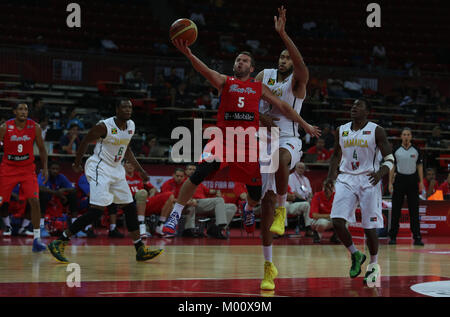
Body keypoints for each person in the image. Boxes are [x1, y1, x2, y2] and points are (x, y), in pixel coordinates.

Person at [163, 35, 320, 237]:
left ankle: (247, 209)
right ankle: (175, 215)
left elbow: (283, 107)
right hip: (222, 140)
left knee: (255, 194)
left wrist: (304, 124)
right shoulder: (225, 81)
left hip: (248, 145)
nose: (240, 62)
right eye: (238, 60)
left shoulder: (259, 87)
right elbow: (205, 70)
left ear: (252, 68)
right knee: (200, 172)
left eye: (245, 60)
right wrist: (189, 54)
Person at [47, 99, 163, 263]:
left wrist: (141, 170)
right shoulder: (104, 126)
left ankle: (140, 249)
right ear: (117, 109)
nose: (128, 109)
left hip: (116, 169)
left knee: (130, 207)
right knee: (97, 210)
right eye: (124, 106)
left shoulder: (131, 126)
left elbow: (127, 149)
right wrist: (76, 163)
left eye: (130, 107)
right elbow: (85, 141)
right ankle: (60, 241)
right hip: (99, 167)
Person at [254, 6, 319, 291]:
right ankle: (268, 266)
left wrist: (283, 34)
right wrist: (259, 117)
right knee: (262, 207)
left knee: (282, 160)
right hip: (262, 141)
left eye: (287, 57)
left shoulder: (297, 83)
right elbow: (246, 104)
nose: (283, 59)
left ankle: (284, 207)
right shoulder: (263, 76)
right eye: (280, 56)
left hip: (289, 139)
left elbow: (302, 64)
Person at [325, 99, 394, 286]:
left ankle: (373, 265)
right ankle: (356, 254)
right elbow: (335, 156)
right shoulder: (342, 129)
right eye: (353, 106)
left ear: (368, 112)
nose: (354, 108)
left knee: (369, 228)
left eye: (359, 106)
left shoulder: (376, 130)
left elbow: (389, 158)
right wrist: (330, 178)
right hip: (346, 178)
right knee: (337, 221)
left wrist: (381, 173)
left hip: (369, 179)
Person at [0, 103, 48, 252]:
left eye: (26, 109)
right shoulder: (4, 127)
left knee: (35, 201)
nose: (23, 111)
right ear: (14, 111)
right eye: (20, 109)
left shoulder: (35, 127)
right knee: (1, 201)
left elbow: (41, 148)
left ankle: (36, 239)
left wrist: (45, 167)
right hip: (8, 168)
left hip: (27, 169)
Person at [388, 128, 425, 246]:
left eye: (408, 134)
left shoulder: (416, 150)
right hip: (399, 180)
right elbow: (392, 167)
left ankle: (417, 237)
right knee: (396, 210)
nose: (406, 136)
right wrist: (389, 183)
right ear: (401, 136)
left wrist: (421, 182)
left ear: (411, 136)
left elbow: (419, 166)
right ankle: (393, 237)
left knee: (414, 210)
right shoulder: (396, 150)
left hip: (413, 181)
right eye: (404, 134)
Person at [183, 164, 237, 239]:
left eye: (194, 170)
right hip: (194, 203)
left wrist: (217, 191)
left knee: (232, 207)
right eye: (190, 169)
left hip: (203, 204)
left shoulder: (198, 182)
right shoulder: (184, 181)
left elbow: (210, 191)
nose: (192, 171)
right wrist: (190, 199)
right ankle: (219, 225)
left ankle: (215, 229)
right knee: (219, 200)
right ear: (186, 171)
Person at [124, 161, 175, 238]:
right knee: (142, 193)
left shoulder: (139, 175)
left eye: (133, 163)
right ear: (123, 165)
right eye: (128, 163)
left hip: (144, 202)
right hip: (130, 204)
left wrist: (151, 195)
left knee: (170, 196)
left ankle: (160, 226)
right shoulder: (121, 176)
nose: (131, 165)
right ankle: (142, 227)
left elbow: (152, 189)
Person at [38, 160, 78, 238]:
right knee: (42, 194)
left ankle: (75, 227)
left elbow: (73, 189)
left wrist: (64, 190)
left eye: (57, 169)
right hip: (46, 200)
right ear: (48, 169)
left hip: (58, 201)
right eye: (53, 169)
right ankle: (41, 227)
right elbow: (39, 188)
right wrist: (56, 193)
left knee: (73, 195)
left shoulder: (61, 177)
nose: (55, 171)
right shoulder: (43, 175)